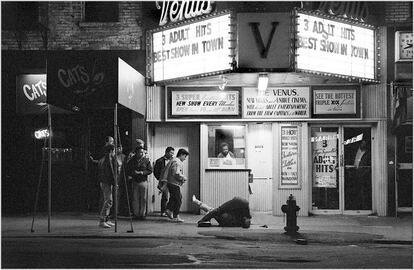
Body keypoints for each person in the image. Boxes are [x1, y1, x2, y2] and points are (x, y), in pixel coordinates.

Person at [159, 148, 189, 223]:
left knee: (173, 198)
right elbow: (176, 173)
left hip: (170, 182)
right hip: (174, 183)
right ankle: (176, 216)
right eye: (185, 156)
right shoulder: (177, 162)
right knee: (178, 199)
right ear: (181, 155)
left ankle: (169, 210)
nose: (185, 159)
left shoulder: (173, 160)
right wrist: (183, 178)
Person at [97, 142, 120, 228]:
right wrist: (115, 182)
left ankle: (106, 219)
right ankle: (102, 220)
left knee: (109, 201)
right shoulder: (108, 160)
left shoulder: (106, 159)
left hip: (106, 182)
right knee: (108, 201)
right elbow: (111, 172)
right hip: (106, 182)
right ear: (111, 151)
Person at [126, 146, 153, 220]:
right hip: (135, 181)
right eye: (139, 152)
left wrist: (142, 172)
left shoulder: (146, 161)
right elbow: (128, 170)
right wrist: (133, 173)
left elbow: (150, 170)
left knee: (143, 198)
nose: (141, 154)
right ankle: (136, 214)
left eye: (142, 152)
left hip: (143, 181)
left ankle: (142, 214)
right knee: (135, 198)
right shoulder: (132, 160)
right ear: (136, 152)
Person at [153, 146, 175, 216]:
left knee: (173, 196)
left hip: (172, 181)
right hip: (164, 181)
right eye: (171, 153)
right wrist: (160, 179)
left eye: (173, 153)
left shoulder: (174, 160)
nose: (172, 154)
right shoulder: (159, 161)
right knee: (165, 196)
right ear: (166, 152)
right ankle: (163, 211)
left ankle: (169, 211)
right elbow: (155, 171)